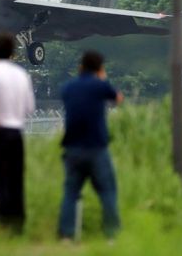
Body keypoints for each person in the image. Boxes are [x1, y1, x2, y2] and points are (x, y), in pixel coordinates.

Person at [58, 50, 123, 240]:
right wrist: (102, 79)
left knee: (70, 193)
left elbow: (68, 98)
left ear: (81, 67)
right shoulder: (100, 85)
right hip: (96, 149)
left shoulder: (68, 87)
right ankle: (111, 235)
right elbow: (117, 98)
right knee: (107, 192)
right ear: (100, 69)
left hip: (72, 149)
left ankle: (66, 236)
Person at [0, 32, 35, 234]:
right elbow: (29, 107)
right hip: (15, 134)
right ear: (12, 52)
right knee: (16, 177)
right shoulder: (22, 75)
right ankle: (18, 223)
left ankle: (3, 221)